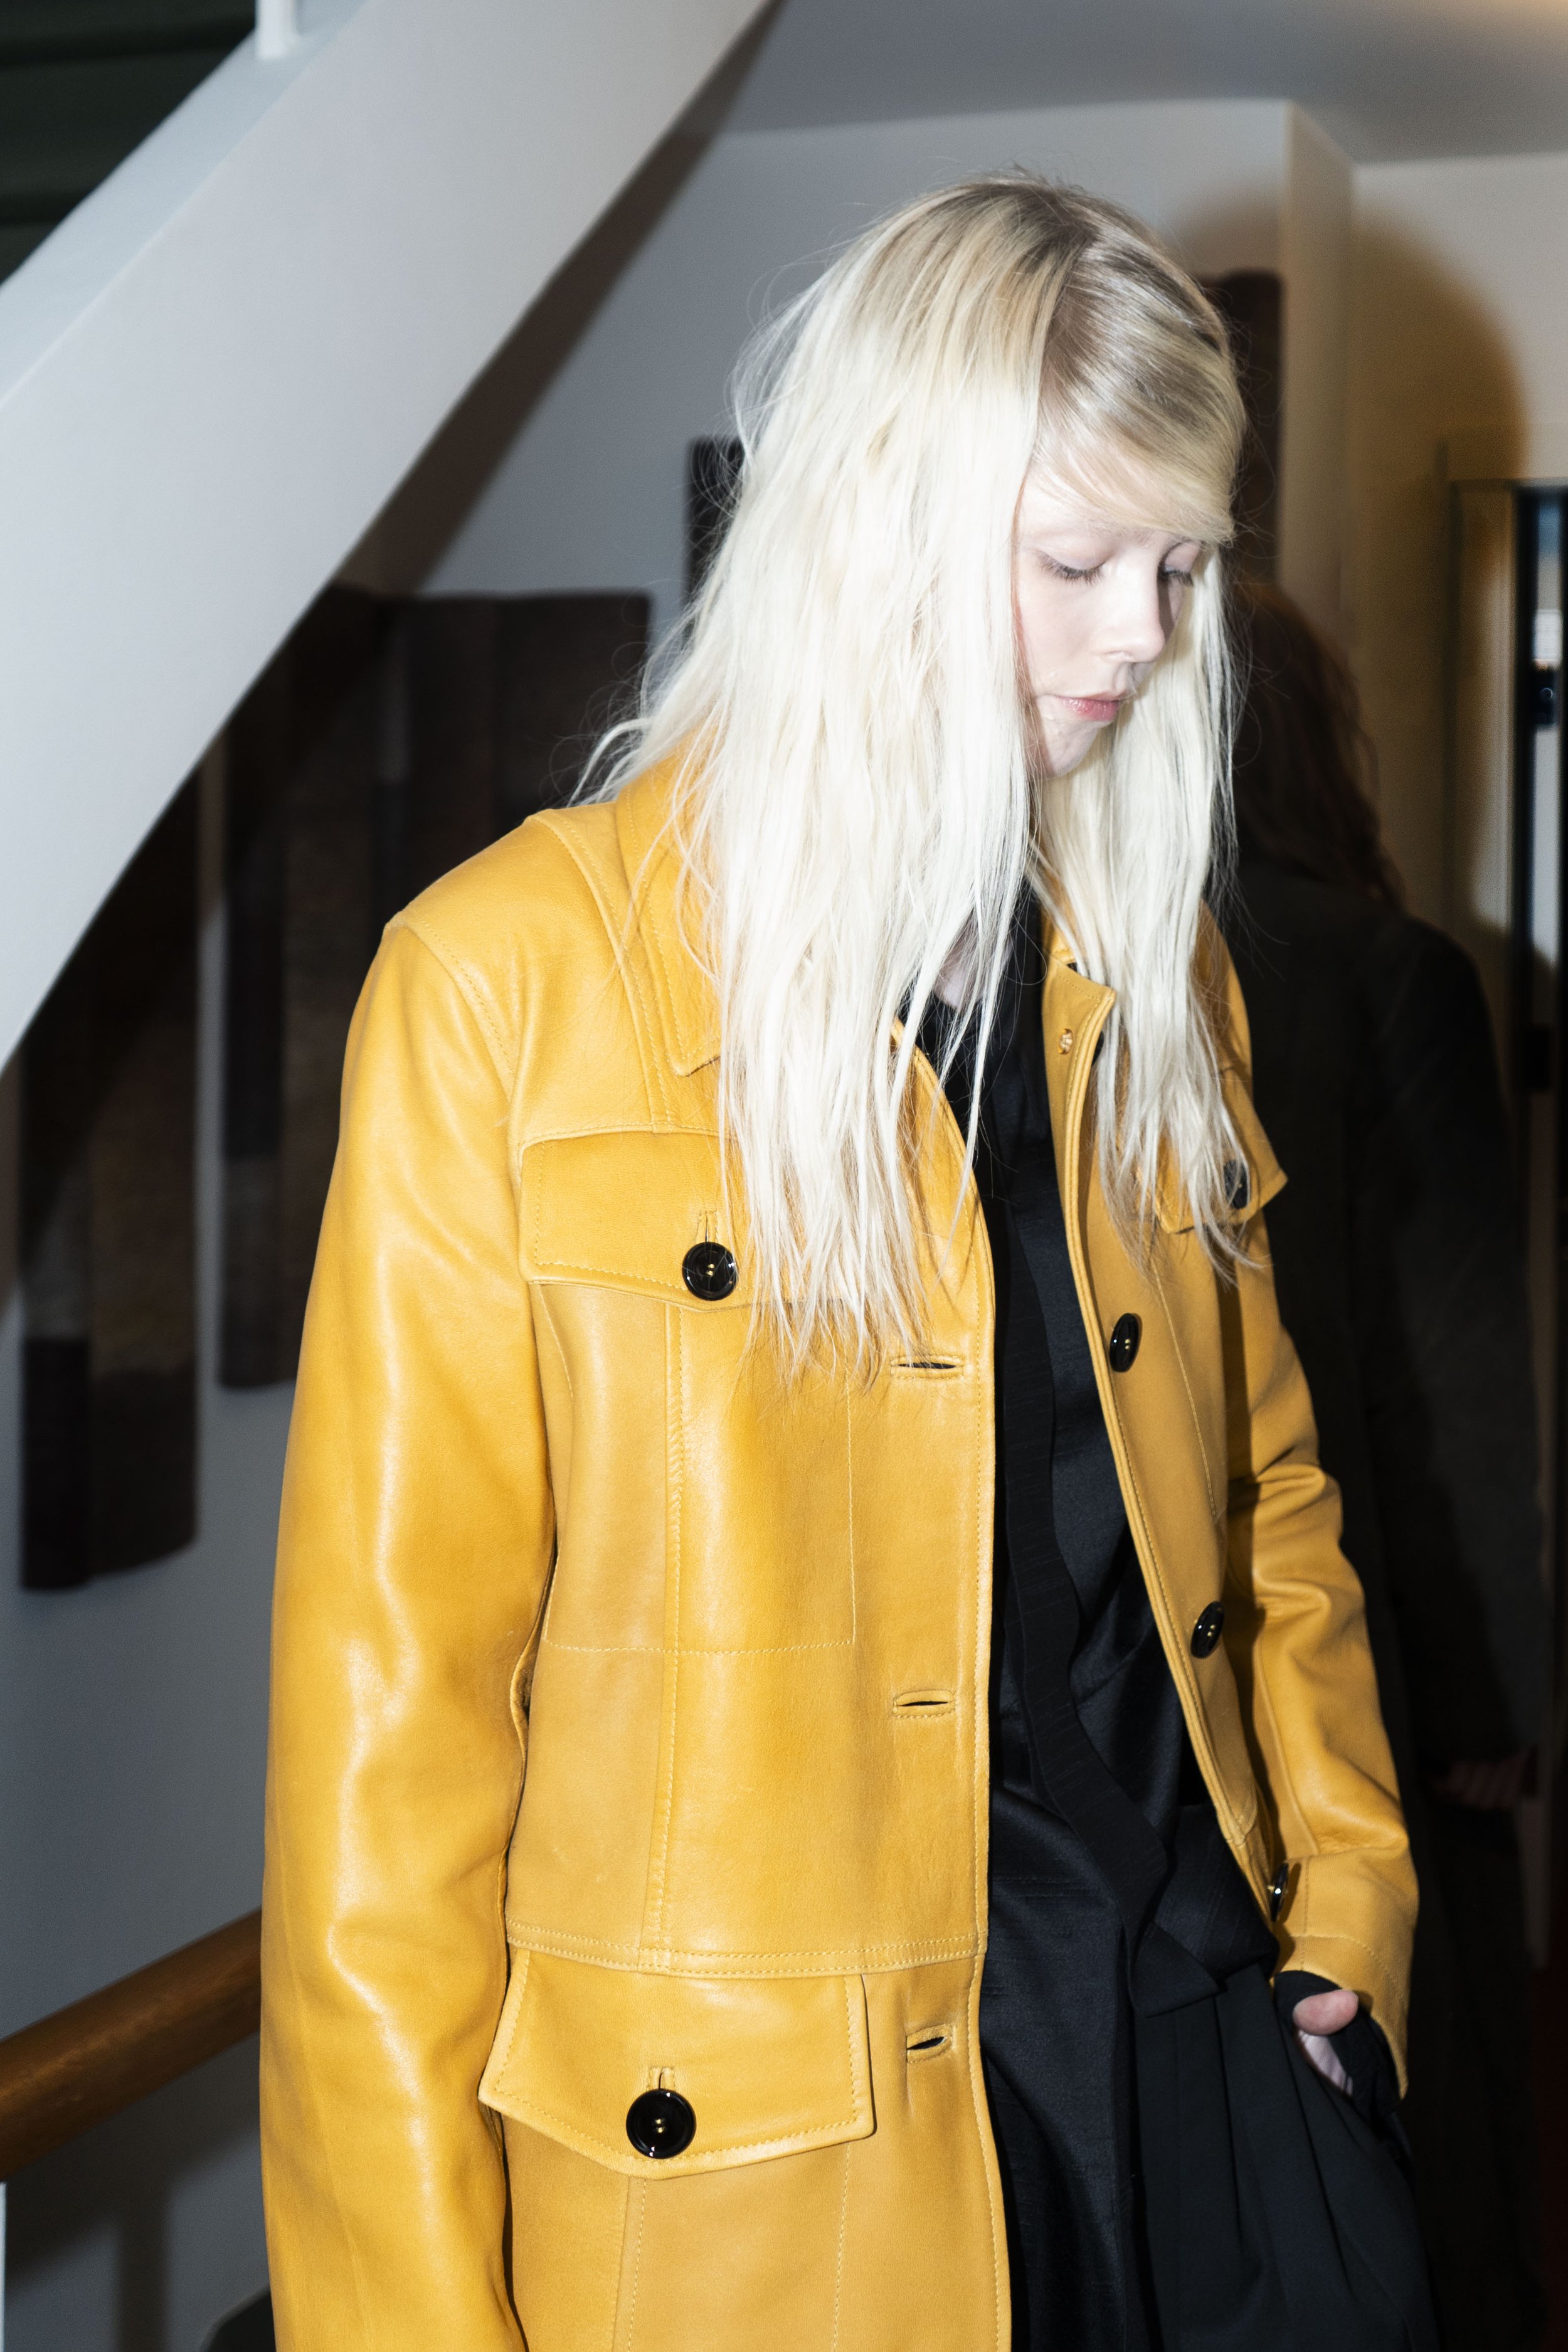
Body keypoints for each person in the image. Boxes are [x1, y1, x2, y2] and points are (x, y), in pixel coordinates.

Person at [260, 179, 1431, 2351]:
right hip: (772, 2199)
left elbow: (1276, 1503)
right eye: (1073, 563)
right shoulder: (507, 990)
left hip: (1199, 2086)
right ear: (874, 529)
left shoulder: (1145, 976)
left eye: (1179, 567)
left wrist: (1349, 1901)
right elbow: (384, 1792)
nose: (1139, 639)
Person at [1224, 579, 1550, 2352]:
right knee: (1444, 2115)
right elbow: (1454, 1375)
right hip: (1367, 1647)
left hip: (1174, 1663)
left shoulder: (1048, 967)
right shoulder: (1383, 971)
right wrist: (1501, 1680)